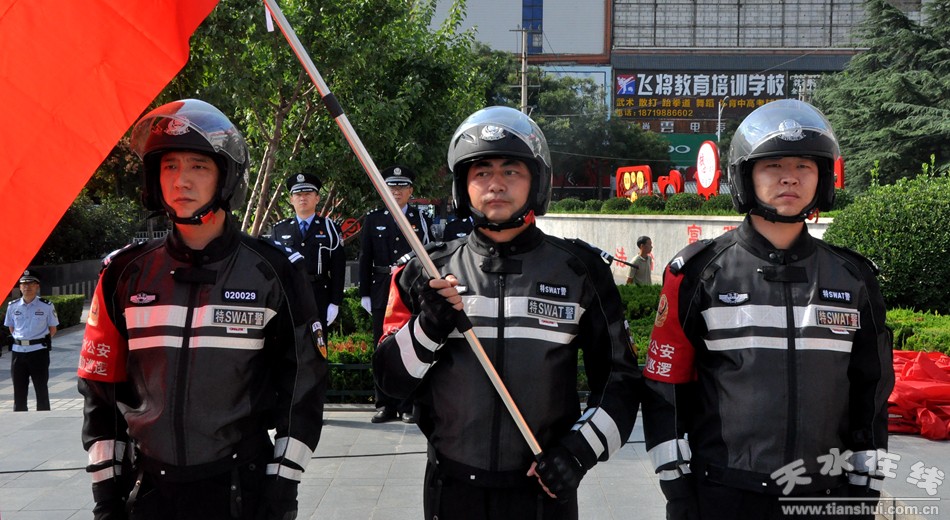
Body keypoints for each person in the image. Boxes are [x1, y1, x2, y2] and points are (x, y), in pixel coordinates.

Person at [373, 106, 642, 519]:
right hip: (452, 491)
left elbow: (619, 381)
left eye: (511, 171)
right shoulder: (425, 271)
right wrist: (427, 328)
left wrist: (577, 454)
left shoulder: (581, 271)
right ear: (463, 185)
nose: (496, 184)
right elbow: (390, 381)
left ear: (537, 181)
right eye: (481, 172)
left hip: (542, 490)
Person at [641, 99, 893, 520]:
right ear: (745, 176)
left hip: (824, 492)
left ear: (823, 177)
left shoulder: (853, 278)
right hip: (723, 492)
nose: (789, 177)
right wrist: (676, 487)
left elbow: (873, 389)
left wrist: (866, 483)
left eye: (804, 166)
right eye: (773, 165)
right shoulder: (699, 273)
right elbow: (664, 386)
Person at [77, 99, 327, 520]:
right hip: (148, 489)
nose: (181, 180)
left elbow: (303, 385)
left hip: (240, 489)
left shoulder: (274, 272)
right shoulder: (123, 273)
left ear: (225, 178)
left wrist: (282, 487)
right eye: (169, 166)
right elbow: (100, 391)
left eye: (198, 166)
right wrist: (106, 495)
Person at [358, 165, 430, 423]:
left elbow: (428, 252)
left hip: (409, 290)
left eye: (402, 187)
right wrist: (364, 293)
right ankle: (384, 404)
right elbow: (365, 257)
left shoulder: (421, 219)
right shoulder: (374, 219)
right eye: (391, 187)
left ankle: (407, 405)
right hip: (381, 289)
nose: (396, 191)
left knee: (411, 345)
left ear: (410, 191)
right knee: (382, 347)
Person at [271, 172, 346, 332]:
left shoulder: (330, 228)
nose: (302, 198)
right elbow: (274, 268)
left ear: (317, 198)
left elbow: (338, 267)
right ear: (291, 199)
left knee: (318, 342)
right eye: (298, 194)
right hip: (289, 295)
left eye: (307, 194)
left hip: (319, 294)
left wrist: (335, 302)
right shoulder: (280, 229)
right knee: (289, 342)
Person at [5, 270, 58, 411]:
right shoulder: (12, 306)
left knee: (41, 388)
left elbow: (53, 329)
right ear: (20, 287)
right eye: (24, 284)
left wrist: (37, 341)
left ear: (37, 286)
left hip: (38, 351)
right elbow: (11, 328)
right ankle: (19, 415)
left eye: (30, 284)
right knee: (18, 389)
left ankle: (44, 414)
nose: (27, 287)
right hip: (18, 352)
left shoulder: (46, 306)